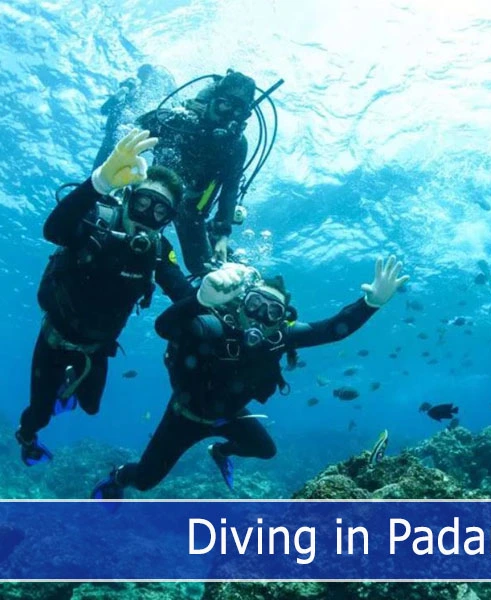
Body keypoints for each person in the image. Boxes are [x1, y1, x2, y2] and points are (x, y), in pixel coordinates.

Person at [90, 256, 409, 498]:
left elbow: (331, 330)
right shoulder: (213, 323)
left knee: (266, 450)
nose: (260, 316)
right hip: (183, 416)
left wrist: (370, 303)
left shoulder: (280, 338)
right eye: (255, 303)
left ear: (281, 320)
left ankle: (220, 451)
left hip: (228, 416)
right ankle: (118, 476)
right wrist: (199, 301)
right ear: (242, 304)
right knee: (144, 481)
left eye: (272, 312)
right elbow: (164, 327)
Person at [16, 129, 194, 466]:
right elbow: (54, 231)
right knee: (39, 415)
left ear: (168, 221)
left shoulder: (159, 249)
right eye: (143, 202)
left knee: (91, 407)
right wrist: (98, 183)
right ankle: (26, 436)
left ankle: (68, 383)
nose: (148, 215)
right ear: (128, 196)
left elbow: (182, 293)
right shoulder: (97, 218)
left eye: (160, 212)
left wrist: (210, 296)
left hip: (97, 347)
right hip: (54, 339)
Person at [135, 69, 258, 276]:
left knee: (201, 267)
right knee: (135, 247)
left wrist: (223, 235)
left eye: (239, 112)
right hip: (155, 200)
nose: (229, 117)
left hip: (193, 211)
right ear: (211, 100)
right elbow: (135, 131)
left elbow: (230, 189)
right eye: (225, 105)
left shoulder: (236, 145)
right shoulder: (179, 120)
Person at [93, 64, 176, 171]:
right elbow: (104, 109)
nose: (144, 77)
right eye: (142, 73)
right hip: (112, 138)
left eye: (146, 73)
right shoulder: (129, 90)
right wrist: (119, 94)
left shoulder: (152, 95)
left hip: (133, 143)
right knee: (99, 172)